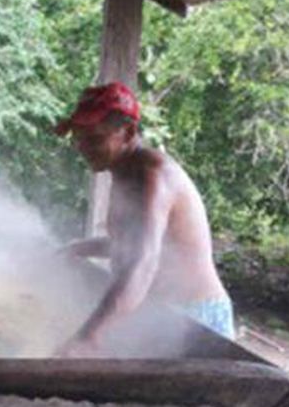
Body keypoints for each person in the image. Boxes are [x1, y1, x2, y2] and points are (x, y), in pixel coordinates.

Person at [53, 81, 233, 356]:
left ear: (128, 133)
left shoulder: (154, 176)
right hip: (158, 313)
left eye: (94, 139)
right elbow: (129, 244)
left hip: (194, 319)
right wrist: (77, 248)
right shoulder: (123, 171)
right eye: (78, 138)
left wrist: (87, 337)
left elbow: (143, 262)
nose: (82, 147)